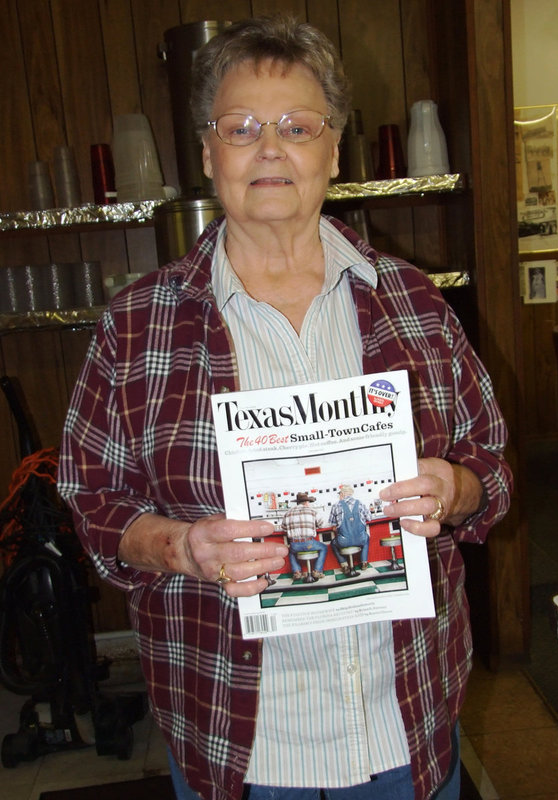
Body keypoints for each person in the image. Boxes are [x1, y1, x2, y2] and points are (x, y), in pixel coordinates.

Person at [57, 15, 512, 800]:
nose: (271, 148)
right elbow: (93, 505)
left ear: (334, 151)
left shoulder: (415, 306)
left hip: (406, 720)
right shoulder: (136, 325)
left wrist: (455, 488)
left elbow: (493, 470)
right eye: (242, 128)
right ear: (208, 155)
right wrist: (182, 547)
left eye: (298, 126)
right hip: (236, 743)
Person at [281, 492, 328, 580]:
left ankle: (297, 572)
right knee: (324, 548)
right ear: (306, 502)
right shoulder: (312, 511)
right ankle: (317, 571)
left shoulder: (288, 513)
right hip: (309, 544)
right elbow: (322, 524)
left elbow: (283, 528)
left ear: (297, 502)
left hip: (295, 544)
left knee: (291, 551)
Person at [329, 484, 371, 572]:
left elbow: (332, 525)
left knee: (333, 543)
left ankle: (344, 565)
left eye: (339, 494)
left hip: (343, 541)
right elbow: (369, 518)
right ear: (351, 494)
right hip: (360, 539)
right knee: (366, 537)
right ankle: (364, 562)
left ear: (342, 494)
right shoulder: (360, 503)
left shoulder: (335, 505)